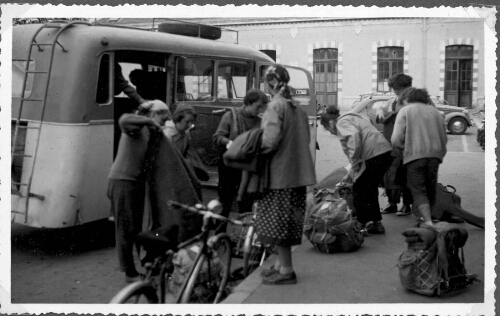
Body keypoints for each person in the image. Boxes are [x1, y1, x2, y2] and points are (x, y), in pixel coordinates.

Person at [255, 65, 316, 285]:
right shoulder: (296, 107)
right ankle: (281, 264)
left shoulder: (275, 106)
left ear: (270, 83)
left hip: (280, 175)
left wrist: (253, 148)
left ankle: (286, 270)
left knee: (277, 223)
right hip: (298, 174)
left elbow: (269, 142)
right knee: (288, 223)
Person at [107, 100, 171, 283]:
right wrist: (150, 122)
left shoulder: (146, 131)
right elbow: (123, 120)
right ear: (154, 114)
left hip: (133, 183)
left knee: (135, 228)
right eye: (163, 119)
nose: (164, 123)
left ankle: (135, 269)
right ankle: (130, 273)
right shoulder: (137, 127)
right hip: (123, 181)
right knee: (126, 230)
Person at [320, 103, 392, 235]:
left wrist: (355, 162)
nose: (332, 133)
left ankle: (360, 224)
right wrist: (352, 170)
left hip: (373, 154)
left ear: (330, 123)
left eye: (329, 130)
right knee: (369, 189)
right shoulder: (352, 118)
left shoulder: (341, 123)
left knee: (360, 189)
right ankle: (377, 223)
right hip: (383, 152)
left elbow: (353, 138)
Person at [212, 89, 268, 232]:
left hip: (248, 168)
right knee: (225, 201)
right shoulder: (230, 116)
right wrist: (228, 143)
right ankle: (220, 235)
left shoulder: (260, 122)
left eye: (263, 107)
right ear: (248, 103)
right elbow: (217, 137)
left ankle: (243, 237)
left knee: (246, 202)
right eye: (258, 106)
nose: (260, 110)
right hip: (229, 165)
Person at [391, 88, 447, 227]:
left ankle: (428, 222)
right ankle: (428, 217)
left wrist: (400, 149)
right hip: (435, 156)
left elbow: (396, 138)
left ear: (408, 99)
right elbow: (444, 137)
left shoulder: (406, 111)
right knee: (430, 187)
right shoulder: (436, 112)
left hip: (414, 156)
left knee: (418, 190)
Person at [376, 73, 414, 216]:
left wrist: (391, 114)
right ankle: (392, 203)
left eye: (397, 89)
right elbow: (381, 115)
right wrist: (382, 112)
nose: (395, 91)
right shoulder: (394, 99)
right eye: (394, 89)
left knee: (405, 175)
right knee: (390, 174)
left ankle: (406, 205)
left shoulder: (414, 100)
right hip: (391, 144)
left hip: (407, 144)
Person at [164, 104, 209, 181]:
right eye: (187, 121)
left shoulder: (186, 132)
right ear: (178, 118)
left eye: (192, 122)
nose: (190, 125)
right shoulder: (167, 134)